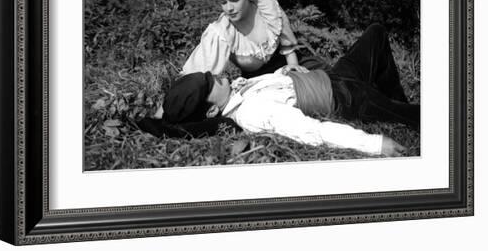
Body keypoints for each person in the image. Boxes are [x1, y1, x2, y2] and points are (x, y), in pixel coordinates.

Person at [156, 23, 419, 157]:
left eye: (207, 75)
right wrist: (373, 144)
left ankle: (393, 103)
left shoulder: (236, 89)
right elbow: (312, 132)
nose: (214, 75)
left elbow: (271, 83)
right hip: (347, 98)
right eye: (209, 84)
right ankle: (399, 113)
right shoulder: (253, 113)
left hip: (334, 77)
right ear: (212, 109)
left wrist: (284, 72)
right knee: (417, 116)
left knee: (376, 33)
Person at [182, 0, 323, 79]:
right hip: (259, 81)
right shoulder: (221, 32)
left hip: (290, 64)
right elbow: (195, 75)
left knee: (326, 77)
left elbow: (288, 48)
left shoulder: (269, 8)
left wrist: (294, 68)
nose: (229, 8)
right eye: (223, 2)